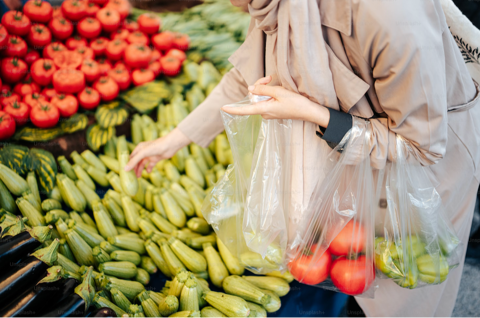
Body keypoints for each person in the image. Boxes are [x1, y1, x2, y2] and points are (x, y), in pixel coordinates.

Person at [126, 0, 480, 317]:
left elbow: (421, 146)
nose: (237, 6)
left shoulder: (389, 11)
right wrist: (176, 139)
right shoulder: (276, 3)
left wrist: (315, 113)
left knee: (404, 292)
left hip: (420, 172)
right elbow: (252, 73)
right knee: (362, 275)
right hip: (352, 158)